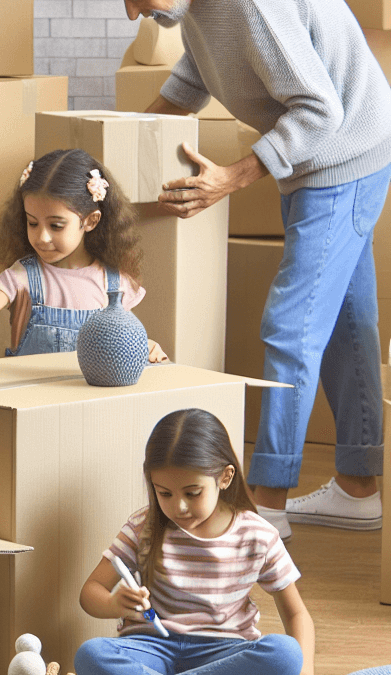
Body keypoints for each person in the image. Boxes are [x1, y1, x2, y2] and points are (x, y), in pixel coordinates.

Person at [123, 0, 391, 538]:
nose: (133, 14)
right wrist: (124, 146)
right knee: (342, 323)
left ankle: (265, 506)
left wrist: (231, 177)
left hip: (340, 159)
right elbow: (197, 72)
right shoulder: (199, 9)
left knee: (291, 328)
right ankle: (359, 488)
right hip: (331, 158)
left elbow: (320, 111)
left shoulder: (252, 4)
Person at [75, 408, 315, 675]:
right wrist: (112, 604)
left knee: (285, 653)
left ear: (224, 477)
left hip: (224, 652)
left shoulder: (257, 535)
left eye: (192, 493)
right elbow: (91, 591)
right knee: (91, 653)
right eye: (164, 493)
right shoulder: (144, 527)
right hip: (153, 646)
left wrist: (306, 671)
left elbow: (296, 615)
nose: (179, 506)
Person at [0, 149, 167, 361]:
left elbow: (126, 342)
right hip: (31, 399)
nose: (42, 237)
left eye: (56, 226)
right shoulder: (20, 277)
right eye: (32, 223)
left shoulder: (115, 283)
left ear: (90, 221)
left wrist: (147, 346)